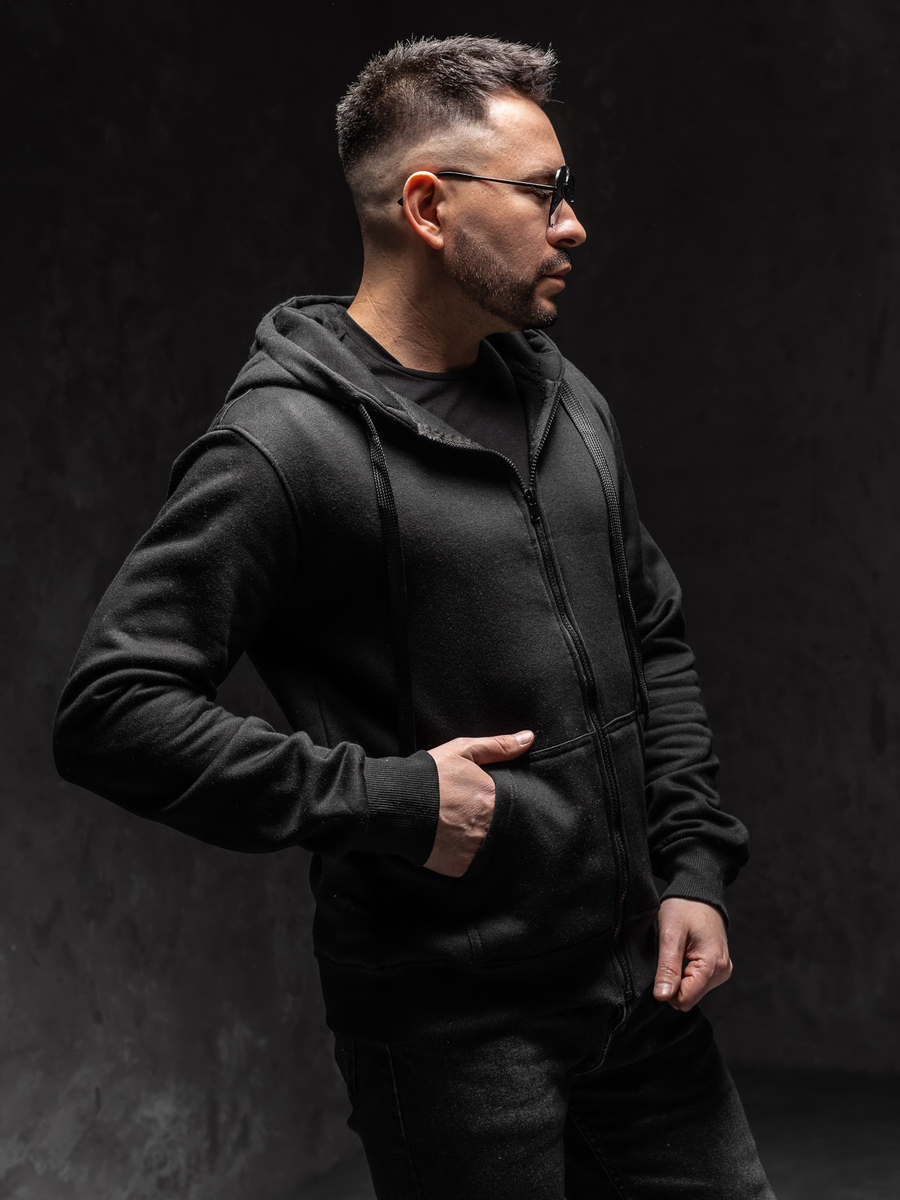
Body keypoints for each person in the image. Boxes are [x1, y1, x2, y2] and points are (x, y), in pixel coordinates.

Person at [53, 34, 776, 1200]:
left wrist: (692, 865)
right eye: (542, 194)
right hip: (454, 1033)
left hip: (643, 996)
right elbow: (111, 709)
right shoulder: (283, 448)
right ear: (430, 206)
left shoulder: (566, 398)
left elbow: (653, 636)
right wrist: (388, 799)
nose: (574, 225)